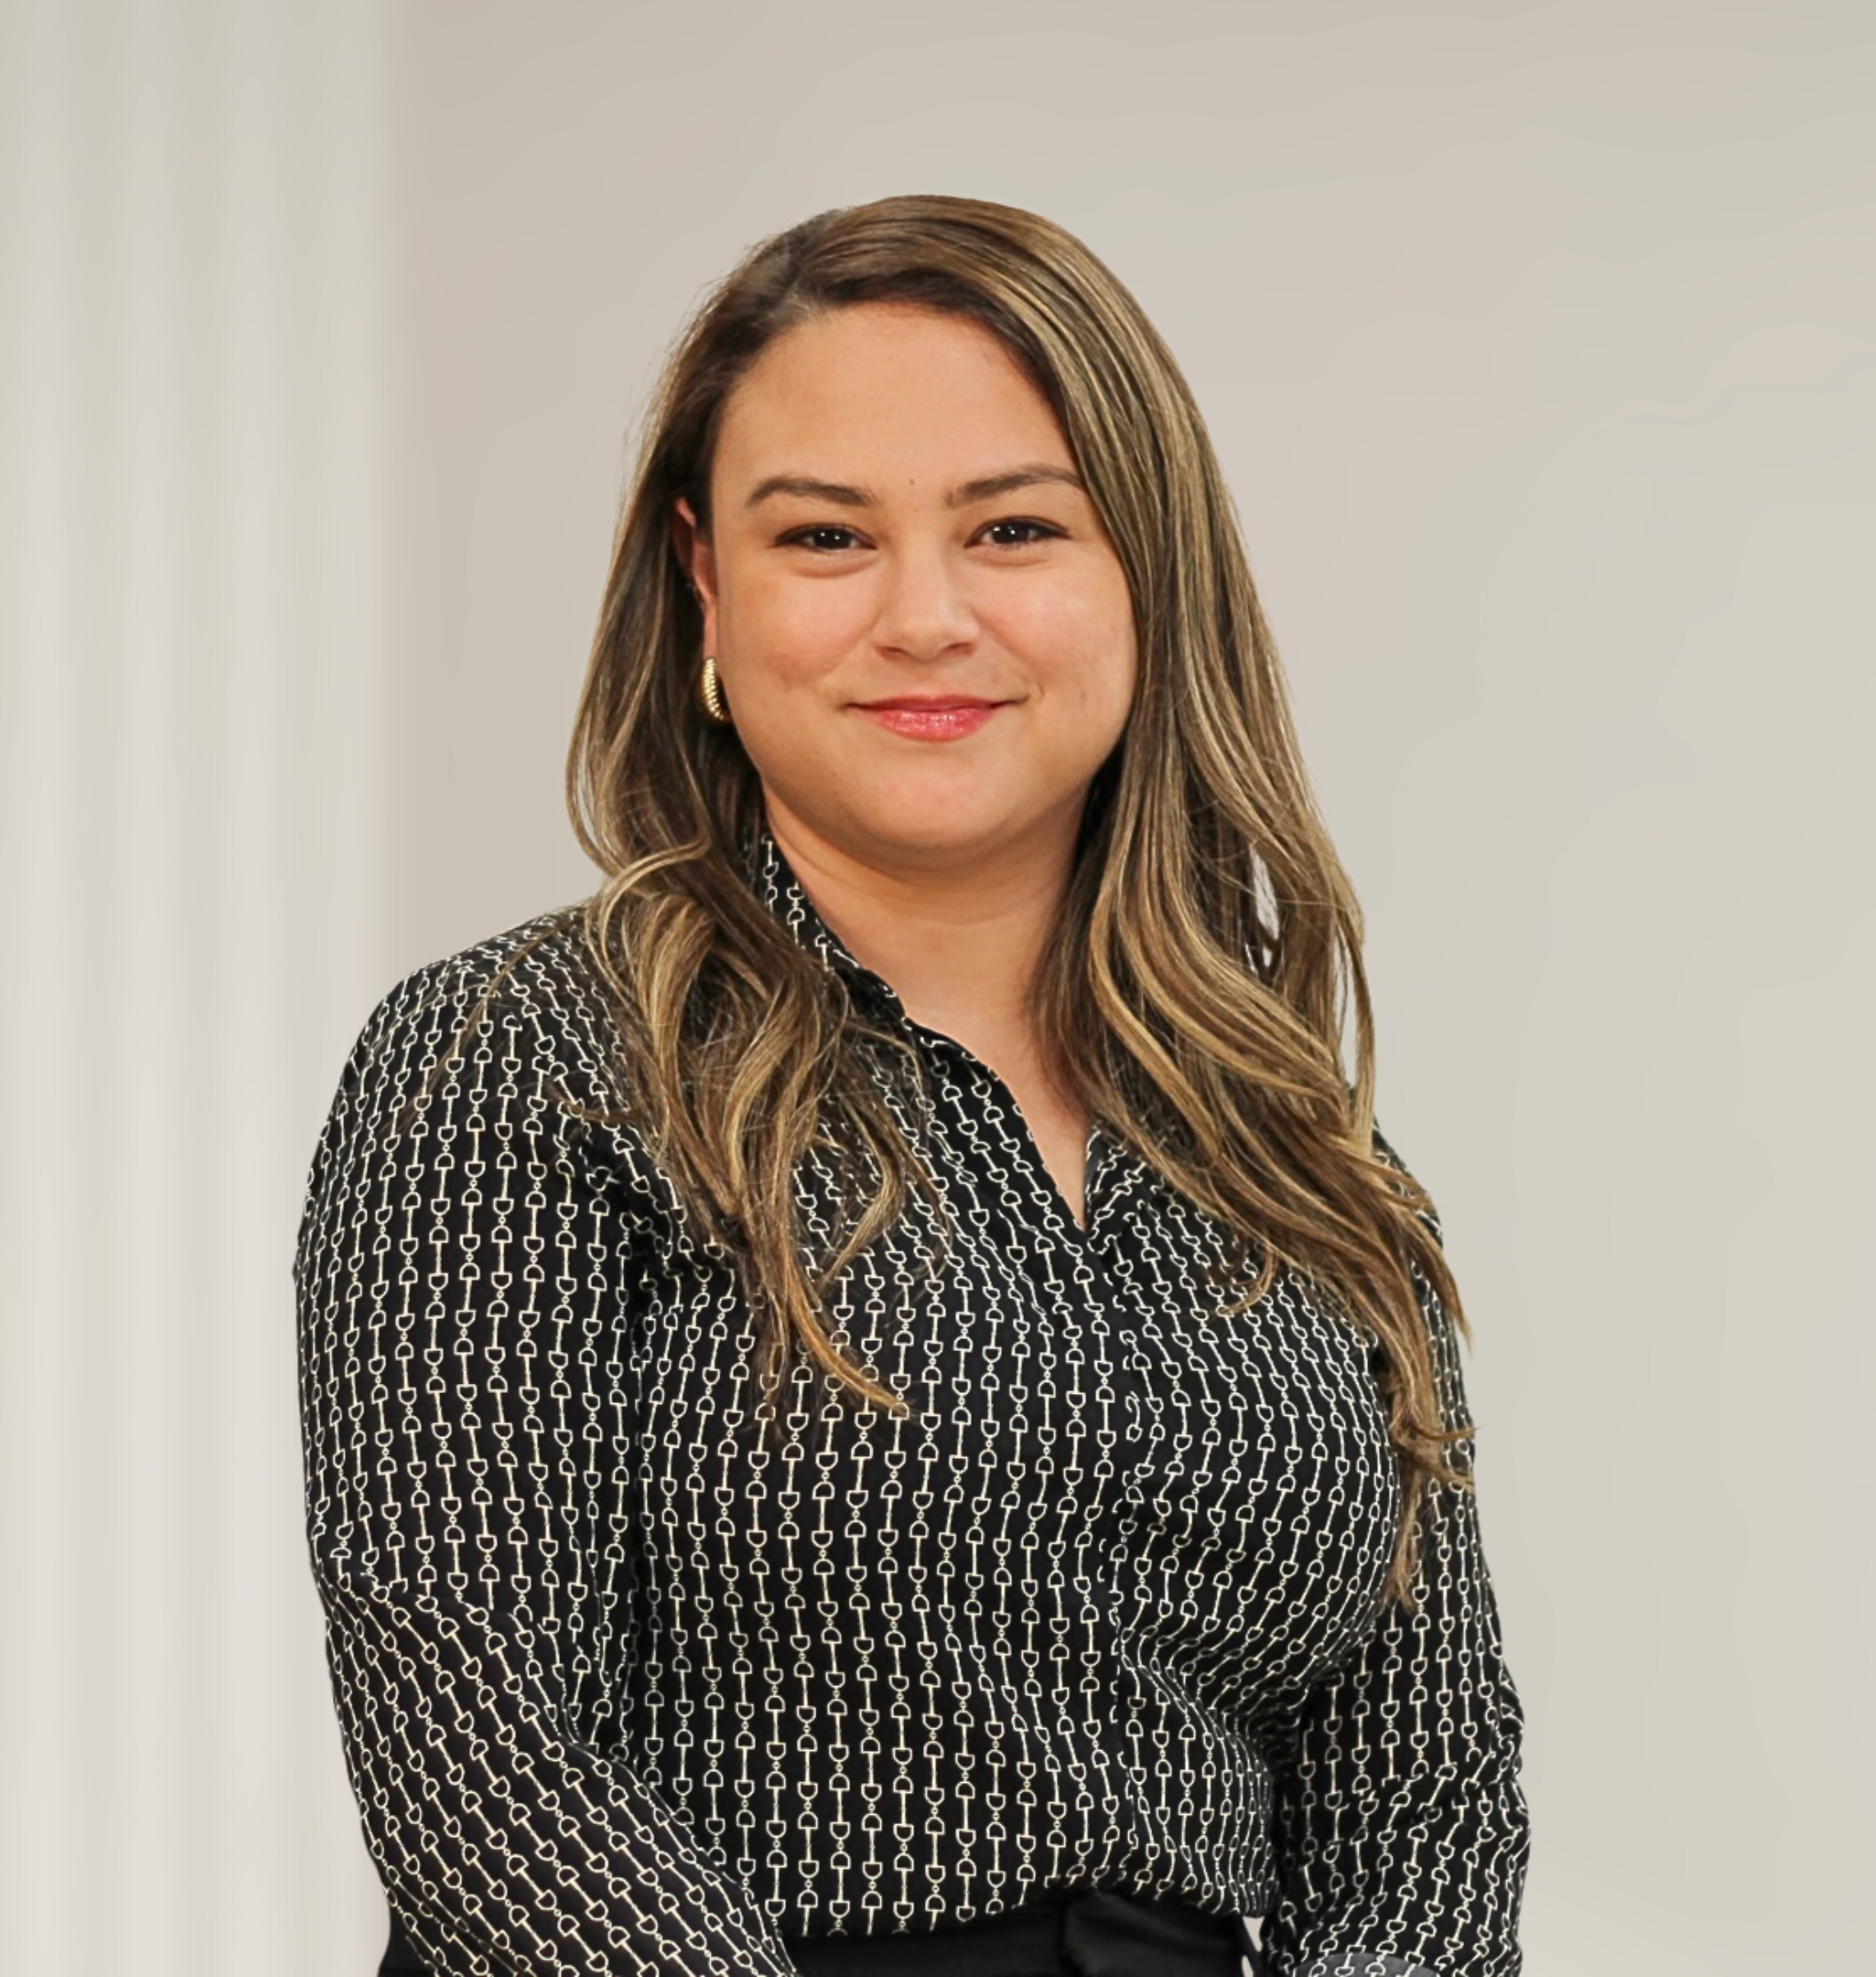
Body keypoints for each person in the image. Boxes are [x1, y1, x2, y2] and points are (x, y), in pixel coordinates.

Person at [295, 194, 1527, 1977]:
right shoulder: (525, 1062)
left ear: (1146, 576)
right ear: (705, 581)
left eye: (1015, 527)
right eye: (826, 538)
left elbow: (1428, 1800)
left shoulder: (1302, 1158)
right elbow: (481, 1748)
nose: (926, 616)